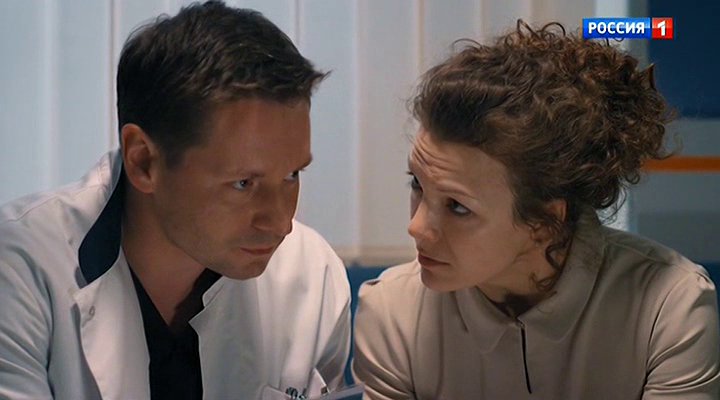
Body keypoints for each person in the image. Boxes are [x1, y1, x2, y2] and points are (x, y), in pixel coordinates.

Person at [0, 2, 351, 399]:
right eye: (243, 183)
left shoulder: (312, 276)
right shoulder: (20, 274)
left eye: (291, 175)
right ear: (144, 161)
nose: (280, 223)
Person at [352, 21, 719, 399]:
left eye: (458, 207)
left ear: (545, 222)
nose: (416, 227)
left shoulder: (668, 305)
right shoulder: (392, 314)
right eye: (417, 184)